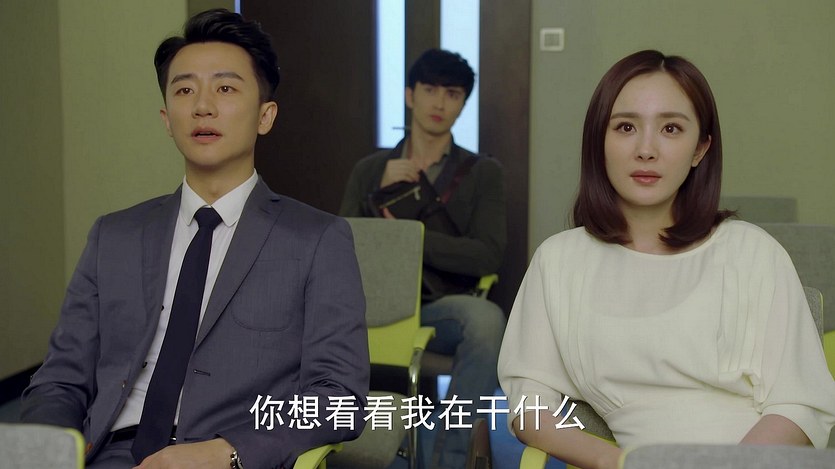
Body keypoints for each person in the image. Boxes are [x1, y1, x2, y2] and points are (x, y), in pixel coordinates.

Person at [20, 9, 369, 469]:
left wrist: (228, 451)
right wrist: (51, 448)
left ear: (265, 116)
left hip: (226, 455)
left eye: (225, 89)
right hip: (111, 452)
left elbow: (339, 396)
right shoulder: (114, 235)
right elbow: (60, 381)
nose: (202, 106)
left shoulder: (317, 239)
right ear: (167, 119)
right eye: (184, 90)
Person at [498, 49, 835, 469]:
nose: (646, 149)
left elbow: (800, 403)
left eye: (671, 128)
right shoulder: (559, 260)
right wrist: (620, 462)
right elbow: (529, 406)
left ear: (700, 149)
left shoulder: (754, 252)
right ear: (599, 142)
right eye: (625, 127)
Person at [339, 48, 507, 468]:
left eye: (452, 94)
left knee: (486, 321)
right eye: (430, 90)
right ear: (410, 95)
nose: (439, 103)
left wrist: (412, 237)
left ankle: (447, 461)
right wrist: (375, 193)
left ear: (463, 103)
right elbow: (341, 247)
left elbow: (487, 255)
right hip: (372, 304)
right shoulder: (370, 169)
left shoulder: (482, 173)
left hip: (439, 307)